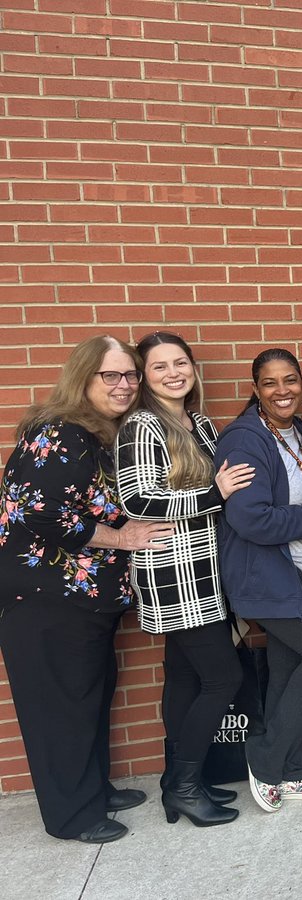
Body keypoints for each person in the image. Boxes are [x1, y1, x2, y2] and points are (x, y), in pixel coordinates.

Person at [0, 336, 174, 844]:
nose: (124, 385)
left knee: (88, 700)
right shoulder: (58, 432)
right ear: (83, 378)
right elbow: (38, 509)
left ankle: (92, 790)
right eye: (111, 375)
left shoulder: (97, 434)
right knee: (60, 709)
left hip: (85, 603)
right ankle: (72, 816)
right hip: (46, 601)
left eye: (130, 375)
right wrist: (120, 537)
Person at [115, 332, 254, 827]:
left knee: (185, 675)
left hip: (208, 565)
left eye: (180, 363)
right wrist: (213, 495)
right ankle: (185, 786)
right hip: (173, 571)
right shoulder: (141, 426)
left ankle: (179, 778)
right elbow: (139, 502)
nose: (173, 372)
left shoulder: (197, 421)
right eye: (159, 367)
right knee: (223, 677)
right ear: (145, 377)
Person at [214, 349, 302, 812]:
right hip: (265, 576)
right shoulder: (244, 440)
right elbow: (251, 519)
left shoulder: (298, 431)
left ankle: (291, 774)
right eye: (270, 383)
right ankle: (266, 760)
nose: (282, 390)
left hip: (296, 569)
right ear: (255, 389)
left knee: (289, 669)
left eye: (290, 380)